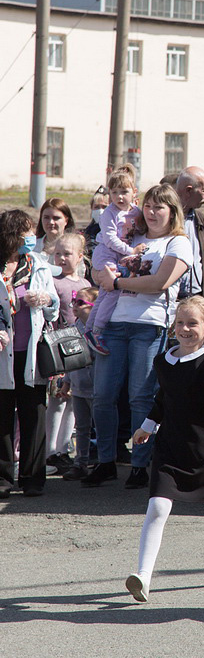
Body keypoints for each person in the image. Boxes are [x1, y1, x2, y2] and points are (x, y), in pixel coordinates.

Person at [125, 296, 204, 602]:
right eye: (180, 322)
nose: (185, 328)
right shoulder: (164, 359)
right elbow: (163, 399)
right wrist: (147, 427)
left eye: (193, 323)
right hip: (170, 447)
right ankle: (144, 576)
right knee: (157, 507)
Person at [83, 184, 194, 489]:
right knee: (103, 396)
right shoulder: (132, 236)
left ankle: (140, 465)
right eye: (148, 206)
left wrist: (116, 283)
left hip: (149, 326)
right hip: (114, 325)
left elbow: (160, 282)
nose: (152, 212)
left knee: (140, 398)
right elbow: (102, 263)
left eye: (160, 207)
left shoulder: (178, 243)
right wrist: (101, 275)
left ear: (172, 212)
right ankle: (105, 461)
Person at [0, 209, 60, 498]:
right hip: (2, 352)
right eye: (25, 232)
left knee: (34, 414)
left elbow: (55, 305)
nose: (31, 237)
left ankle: (33, 478)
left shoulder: (37, 264)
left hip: (32, 351)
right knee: (1, 415)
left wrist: (46, 298)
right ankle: (3, 478)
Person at [44, 233, 93, 474]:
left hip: (78, 349)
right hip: (57, 349)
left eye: (67, 254)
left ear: (80, 256)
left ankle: (64, 449)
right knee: (57, 400)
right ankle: (50, 451)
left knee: (73, 401)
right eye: (58, 253)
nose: (62, 258)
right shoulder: (52, 281)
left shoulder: (84, 284)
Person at [86, 164, 145, 356]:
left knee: (104, 293)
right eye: (114, 192)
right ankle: (97, 331)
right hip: (106, 253)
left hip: (119, 255)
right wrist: (131, 250)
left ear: (134, 192)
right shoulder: (109, 213)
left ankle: (89, 329)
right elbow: (110, 239)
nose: (119, 197)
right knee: (110, 290)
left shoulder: (136, 212)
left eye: (124, 192)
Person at [61, 286, 99, 481]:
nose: (75, 306)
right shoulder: (74, 328)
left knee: (100, 426)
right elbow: (70, 360)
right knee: (82, 427)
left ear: (94, 306)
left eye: (81, 302)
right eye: (74, 302)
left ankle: (103, 461)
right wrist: (66, 384)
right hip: (78, 386)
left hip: (96, 387)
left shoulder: (99, 329)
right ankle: (80, 463)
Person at [174, 166, 204, 297]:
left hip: (197, 295)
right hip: (169, 297)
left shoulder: (202, 221)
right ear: (188, 191)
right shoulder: (161, 220)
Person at [35, 198, 76, 263]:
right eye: (46, 217)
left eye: (56, 218)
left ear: (66, 221)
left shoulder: (73, 247)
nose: (51, 222)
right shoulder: (33, 246)